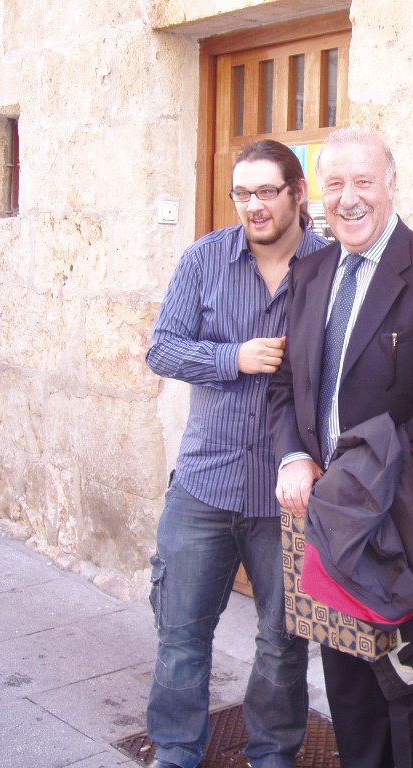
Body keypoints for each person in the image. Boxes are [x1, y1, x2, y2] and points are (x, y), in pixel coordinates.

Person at [267, 126, 413, 768]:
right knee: (348, 685)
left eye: (364, 182)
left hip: (394, 514)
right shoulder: (309, 271)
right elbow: (285, 386)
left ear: (392, 186)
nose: (349, 198)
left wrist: (353, 473)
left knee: (409, 686)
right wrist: (293, 455)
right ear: (316, 195)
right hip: (322, 516)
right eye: (335, 184)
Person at [144, 139, 328, 768]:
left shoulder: (332, 267)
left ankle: (272, 755)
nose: (253, 206)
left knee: (283, 642)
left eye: (266, 192)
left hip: (289, 497)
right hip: (205, 483)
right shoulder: (204, 259)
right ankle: (174, 750)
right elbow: (162, 349)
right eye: (242, 194)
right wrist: (232, 357)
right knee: (181, 634)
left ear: (298, 193)